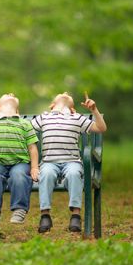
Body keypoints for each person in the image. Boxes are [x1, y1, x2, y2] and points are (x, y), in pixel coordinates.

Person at [31, 91, 106, 234]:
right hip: (49, 162)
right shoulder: (44, 117)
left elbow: (101, 128)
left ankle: (76, 215)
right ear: (51, 106)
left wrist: (94, 110)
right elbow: (25, 130)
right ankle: (45, 215)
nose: (65, 93)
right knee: (45, 175)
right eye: (61, 93)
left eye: (67, 94)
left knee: (74, 174)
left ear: (73, 109)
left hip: (72, 161)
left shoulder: (76, 117)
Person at [0, 93, 39, 229]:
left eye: (13, 96)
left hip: (20, 162)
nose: (11, 94)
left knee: (19, 176)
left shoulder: (24, 123)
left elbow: (33, 148)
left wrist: (34, 167)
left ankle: (19, 209)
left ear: (17, 110)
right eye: (7, 95)